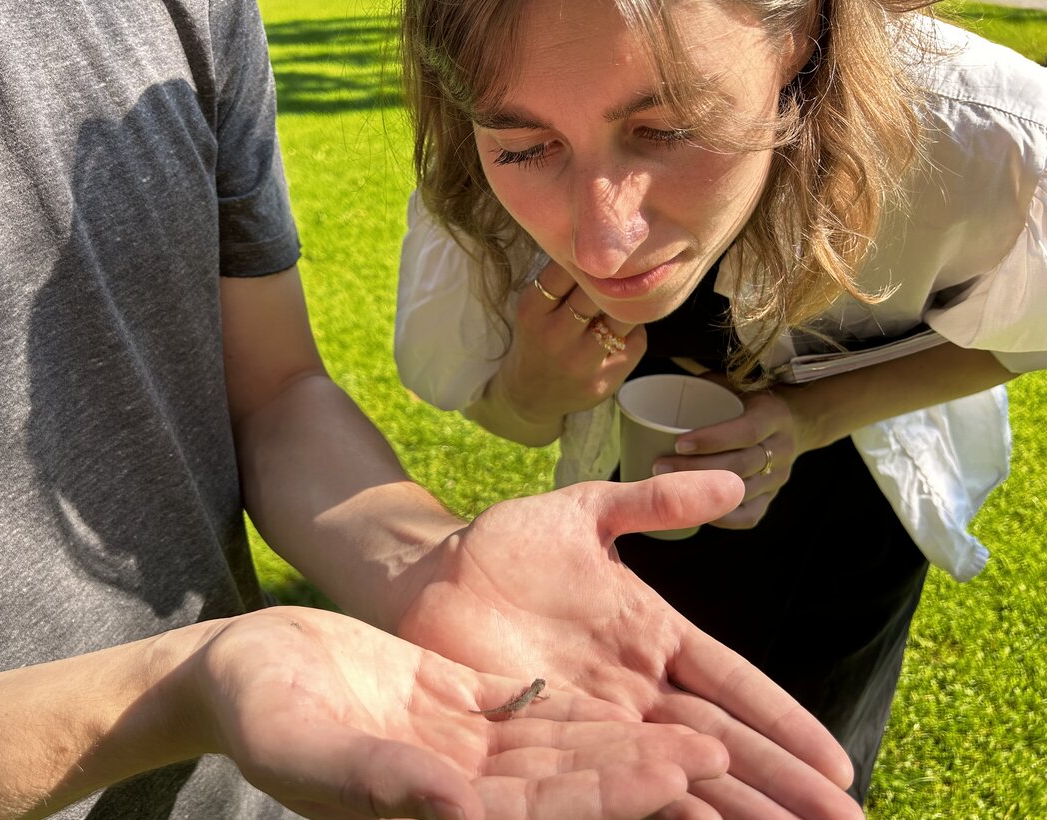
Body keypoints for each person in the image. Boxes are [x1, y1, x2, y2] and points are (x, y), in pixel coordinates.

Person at [0, 1, 866, 818]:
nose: (603, 242)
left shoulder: (180, 13)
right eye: (521, 145)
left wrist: (431, 567)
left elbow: (273, 388)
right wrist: (175, 690)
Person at [395, 0, 1047, 804]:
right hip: (617, 520)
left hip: (850, 504)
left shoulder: (985, 141)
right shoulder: (471, 172)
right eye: (527, 148)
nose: (604, 244)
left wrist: (812, 416)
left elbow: (1026, 331)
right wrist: (539, 379)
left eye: (668, 131)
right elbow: (506, 414)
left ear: (803, 32)